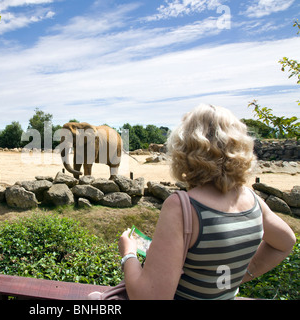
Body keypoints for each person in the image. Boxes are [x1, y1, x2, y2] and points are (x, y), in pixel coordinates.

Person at [118, 104, 296, 300]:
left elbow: (149, 298)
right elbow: (286, 242)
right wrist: (234, 277)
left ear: (184, 149)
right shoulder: (253, 201)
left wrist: (129, 253)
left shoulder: (182, 206)